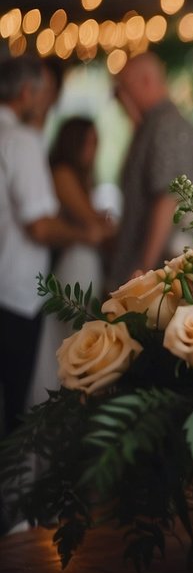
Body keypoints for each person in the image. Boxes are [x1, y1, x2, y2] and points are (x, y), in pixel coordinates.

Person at [0, 58, 102, 433]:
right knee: (18, 413)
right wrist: (83, 234)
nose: (46, 102)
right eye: (43, 93)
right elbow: (40, 227)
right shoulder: (20, 141)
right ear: (27, 92)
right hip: (15, 292)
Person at [26, 117, 113, 407]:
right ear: (74, 142)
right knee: (72, 337)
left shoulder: (79, 176)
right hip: (73, 264)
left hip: (82, 261)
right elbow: (93, 223)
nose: (95, 148)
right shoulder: (63, 173)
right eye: (90, 141)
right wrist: (103, 226)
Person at [109, 53, 193, 290]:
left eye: (124, 88)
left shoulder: (166, 127)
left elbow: (167, 200)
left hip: (158, 272)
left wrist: (145, 272)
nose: (122, 96)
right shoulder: (154, 124)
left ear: (145, 81)